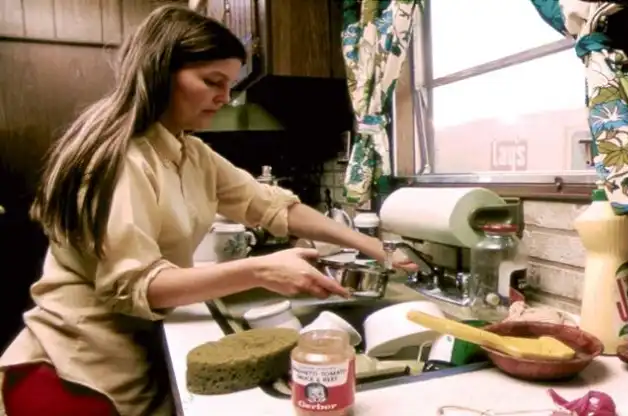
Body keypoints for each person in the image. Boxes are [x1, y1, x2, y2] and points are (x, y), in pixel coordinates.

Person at [0, 5, 413, 416]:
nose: (225, 97)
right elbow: (136, 286)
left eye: (230, 84)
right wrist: (261, 270)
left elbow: (270, 206)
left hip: (128, 366)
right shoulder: (122, 159)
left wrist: (374, 248)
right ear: (160, 71)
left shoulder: (189, 152)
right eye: (212, 81)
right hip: (75, 377)